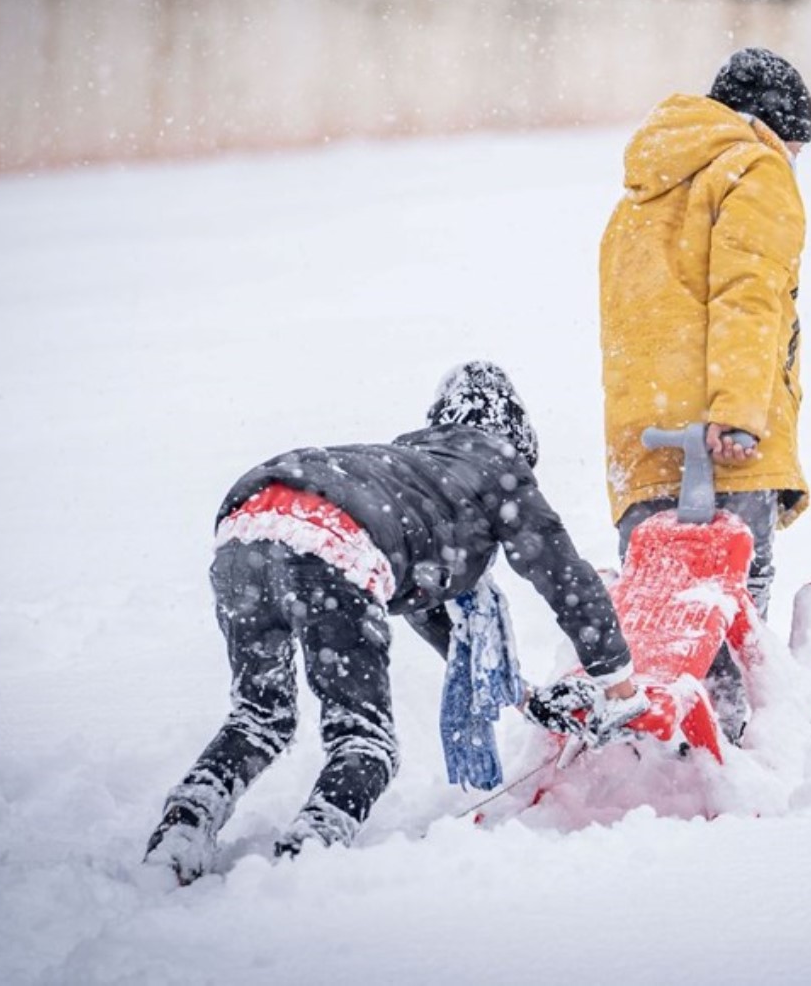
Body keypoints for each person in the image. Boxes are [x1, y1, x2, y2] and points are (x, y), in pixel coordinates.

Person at [143, 362, 641, 884]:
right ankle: (308, 852)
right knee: (365, 742)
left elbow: (436, 619)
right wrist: (619, 684)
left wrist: (526, 698)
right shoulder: (496, 465)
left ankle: (185, 827)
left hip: (246, 525)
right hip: (331, 540)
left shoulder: (409, 475)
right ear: (516, 436)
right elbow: (565, 577)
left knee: (259, 718)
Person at [598, 47, 811, 738]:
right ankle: (740, 734)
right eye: (798, 147)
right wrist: (738, 413)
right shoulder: (756, 167)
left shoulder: (642, 189)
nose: (796, 162)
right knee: (733, 598)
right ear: (775, 128)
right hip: (722, 435)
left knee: (664, 612)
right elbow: (748, 299)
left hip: (640, 440)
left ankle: (664, 732)